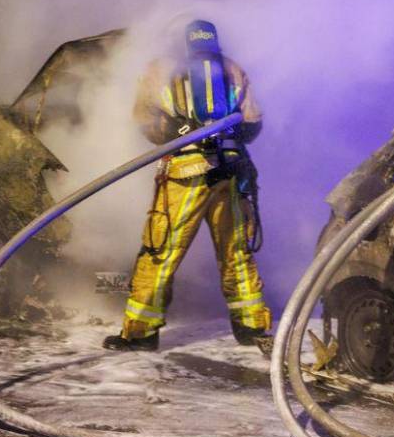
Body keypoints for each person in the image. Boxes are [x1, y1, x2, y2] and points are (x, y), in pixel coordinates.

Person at [105, 18, 272, 352]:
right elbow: (253, 124)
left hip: (186, 173)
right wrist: (224, 136)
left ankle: (140, 333)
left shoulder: (160, 70)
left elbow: (145, 120)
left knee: (161, 250)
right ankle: (251, 329)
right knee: (236, 251)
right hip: (231, 172)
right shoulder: (233, 69)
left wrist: (180, 134)